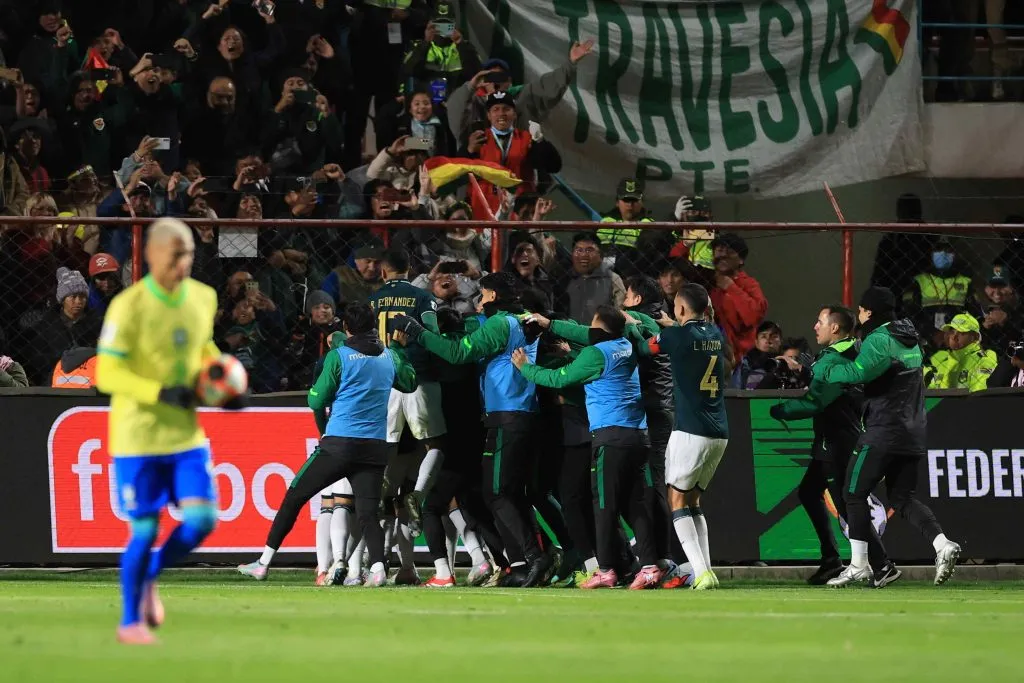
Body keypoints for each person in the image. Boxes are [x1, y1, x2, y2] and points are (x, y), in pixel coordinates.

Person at [95, 218, 232, 645]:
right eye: (175, 254)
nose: (183, 262)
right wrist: (158, 391)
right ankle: (130, 621)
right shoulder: (129, 306)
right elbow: (106, 372)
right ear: (152, 255)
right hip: (137, 437)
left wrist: (223, 381)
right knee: (145, 530)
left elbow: (203, 348)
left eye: (188, 253)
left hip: (184, 437)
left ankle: (150, 576)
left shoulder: (203, 297)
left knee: (202, 521)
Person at [237, 302, 417, 587]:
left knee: (295, 496)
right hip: (374, 447)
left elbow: (316, 400)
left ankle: (263, 563)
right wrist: (401, 351)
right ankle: (379, 568)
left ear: (346, 328)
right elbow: (409, 384)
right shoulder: (390, 357)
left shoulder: (339, 357)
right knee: (368, 513)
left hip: (339, 445)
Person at [390, 272, 552, 587]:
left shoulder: (500, 324)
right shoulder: (520, 322)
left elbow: (459, 352)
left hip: (507, 413)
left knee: (497, 493)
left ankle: (536, 557)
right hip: (518, 413)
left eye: (481, 295)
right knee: (505, 493)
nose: (477, 300)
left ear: (491, 295)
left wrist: (417, 332)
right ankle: (523, 563)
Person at [513, 305, 662, 589]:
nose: (587, 330)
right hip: (638, 435)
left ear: (601, 330)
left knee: (604, 505)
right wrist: (553, 326)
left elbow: (558, 378)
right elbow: (592, 336)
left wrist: (525, 367)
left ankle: (605, 570)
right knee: (637, 503)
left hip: (610, 437)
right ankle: (650, 567)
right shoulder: (627, 342)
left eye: (592, 325)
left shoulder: (596, 354)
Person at [821, 287, 961, 588]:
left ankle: (859, 565)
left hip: (884, 430)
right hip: (913, 432)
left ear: (868, 311)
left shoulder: (879, 338)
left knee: (853, 494)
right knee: (903, 497)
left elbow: (857, 373)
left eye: (860, 310)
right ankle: (942, 544)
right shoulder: (910, 340)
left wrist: (825, 370)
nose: (858, 316)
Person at [769, 306, 880, 585]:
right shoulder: (845, 353)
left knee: (845, 504)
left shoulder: (838, 357)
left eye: (819, 322)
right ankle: (831, 559)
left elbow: (816, 401)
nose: (814, 326)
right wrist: (805, 369)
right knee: (808, 492)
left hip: (837, 441)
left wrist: (781, 410)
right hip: (833, 438)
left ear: (834, 328)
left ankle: (881, 563)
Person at [638, 283, 729, 590]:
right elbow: (694, 335)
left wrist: (646, 327)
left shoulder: (674, 336)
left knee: (676, 499)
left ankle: (701, 573)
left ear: (679, 310)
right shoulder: (716, 335)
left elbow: (646, 348)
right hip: (719, 433)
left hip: (690, 430)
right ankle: (708, 570)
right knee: (693, 501)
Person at [369, 248, 448, 585]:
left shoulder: (372, 301)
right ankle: (417, 494)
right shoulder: (421, 296)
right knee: (434, 443)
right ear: (409, 267)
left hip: (386, 382)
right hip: (419, 378)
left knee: (389, 447)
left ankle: (382, 497)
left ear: (383, 270)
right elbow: (432, 333)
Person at [901, 237, 972, 353]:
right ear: (931, 254)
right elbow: (909, 313)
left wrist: (953, 332)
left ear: (954, 255)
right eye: (938, 250)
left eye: (948, 251)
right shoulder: (919, 281)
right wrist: (932, 332)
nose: (943, 254)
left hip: (958, 339)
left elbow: (973, 313)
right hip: (925, 339)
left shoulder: (965, 282)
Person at [709, 232, 767, 363]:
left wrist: (731, 287)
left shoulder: (748, 284)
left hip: (741, 357)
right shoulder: (708, 281)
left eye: (729, 251)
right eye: (719, 250)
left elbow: (754, 315)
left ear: (741, 259)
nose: (723, 255)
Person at [558, 232, 625, 325]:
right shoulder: (562, 278)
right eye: (579, 250)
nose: (584, 255)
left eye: (589, 250)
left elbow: (622, 312)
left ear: (600, 255)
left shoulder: (613, 279)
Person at [926, 313, 998, 392]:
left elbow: (979, 393)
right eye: (952, 331)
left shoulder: (983, 358)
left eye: (961, 333)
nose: (954, 337)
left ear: (975, 337)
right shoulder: (940, 357)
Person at [597, 177, 653, 257]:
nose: (630, 204)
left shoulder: (651, 226)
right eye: (626, 200)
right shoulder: (602, 222)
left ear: (642, 202)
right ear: (617, 202)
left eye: (634, 200)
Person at [321, 242, 384, 307]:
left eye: (377, 262)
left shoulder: (387, 279)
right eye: (367, 261)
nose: (372, 268)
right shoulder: (337, 278)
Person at [732, 320, 782, 389]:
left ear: (780, 341)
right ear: (756, 342)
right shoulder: (744, 364)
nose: (768, 340)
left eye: (774, 336)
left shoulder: (788, 364)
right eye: (764, 336)